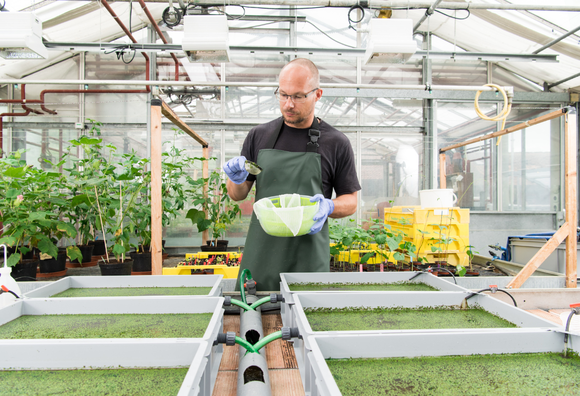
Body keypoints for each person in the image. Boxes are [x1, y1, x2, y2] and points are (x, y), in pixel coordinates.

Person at [223, 58, 361, 291]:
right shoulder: (259, 136)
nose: (288, 104)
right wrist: (234, 181)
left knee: (307, 320)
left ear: (317, 94)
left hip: (308, 257)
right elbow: (238, 194)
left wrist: (328, 206)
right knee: (253, 321)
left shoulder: (336, 143)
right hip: (262, 254)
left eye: (298, 96)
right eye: (283, 94)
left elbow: (351, 201)